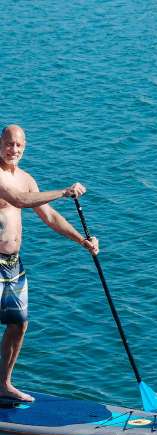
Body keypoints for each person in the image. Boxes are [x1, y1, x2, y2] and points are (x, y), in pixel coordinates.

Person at [0, 124, 99, 402]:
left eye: (19, 145)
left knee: (19, 324)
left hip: (13, 264)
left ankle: (3, 385)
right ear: (0, 143)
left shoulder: (27, 179)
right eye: (9, 144)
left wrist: (83, 241)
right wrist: (63, 192)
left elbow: (50, 217)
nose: (14, 150)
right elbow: (19, 200)